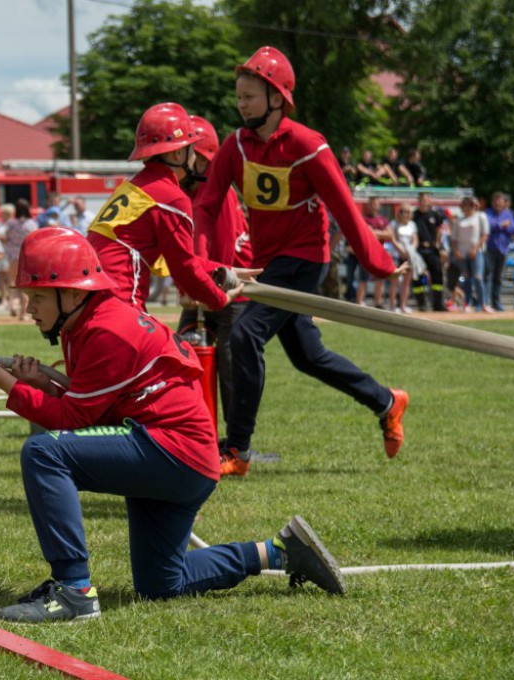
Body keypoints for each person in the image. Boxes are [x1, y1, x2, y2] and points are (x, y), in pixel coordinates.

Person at [0, 227, 346, 623]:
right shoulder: (87, 321)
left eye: (36, 296)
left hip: (170, 451)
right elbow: (94, 407)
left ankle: (73, 591)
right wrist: (38, 383)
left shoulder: (105, 331)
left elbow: (74, 420)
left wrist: (5, 382)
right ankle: (279, 551)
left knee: (42, 453)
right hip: (178, 456)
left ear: (73, 293)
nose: (29, 309)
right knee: (161, 584)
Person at [193, 46, 410, 476]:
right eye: (238, 96)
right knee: (307, 356)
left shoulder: (309, 146)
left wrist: (379, 262)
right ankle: (386, 401)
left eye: (250, 96)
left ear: (277, 98)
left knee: (245, 335)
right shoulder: (234, 146)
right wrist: (198, 262)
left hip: (306, 261)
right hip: (270, 264)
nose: (241, 104)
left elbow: (346, 209)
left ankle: (237, 451)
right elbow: (207, 205)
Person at [88, 101, 251, 314]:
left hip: (94, 301)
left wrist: (225, 270)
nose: (193, 157)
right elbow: (184, 267)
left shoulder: (134, 186)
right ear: (177, 154)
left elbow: (182, 259)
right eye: (191, 149)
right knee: (173, 348)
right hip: (119, 304)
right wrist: (219, 298)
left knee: (177, 344)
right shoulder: (171, 197)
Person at [179, 114, 253, 439]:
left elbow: (221, 259)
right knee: (180, 350)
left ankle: (237, 444)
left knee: (229, 361)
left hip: (235, 289)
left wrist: (199, 289)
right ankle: (193, 433)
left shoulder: (217, 195)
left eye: (184, 152)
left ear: (201, 157)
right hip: (207, 286)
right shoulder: (193, 193)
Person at [451, 197, 489, 312]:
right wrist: (456, 251)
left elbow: (484, 234)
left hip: (476, 253)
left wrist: (475, 249)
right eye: (466, 205)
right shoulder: (459, 220)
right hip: (462, 253)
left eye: (470, 205)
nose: (469, 207)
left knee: (478, 277)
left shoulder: (481, 217)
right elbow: (453, 239)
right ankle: (467, 303)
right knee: (466, 278)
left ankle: (482, 304)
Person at [411, 192, 448, 312]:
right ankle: (421, 304)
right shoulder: (414, 215)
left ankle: (438, 304)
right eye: (422, 200)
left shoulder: (435, 214)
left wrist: (439, 246)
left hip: (432, 250)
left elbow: (439, 231)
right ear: (418, 201)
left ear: (430, 201)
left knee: (437, 276)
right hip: (419, 250)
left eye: (426, 200)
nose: (424, 202)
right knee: (419, 278)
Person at [5, 199, 39, 320]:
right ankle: (23, 313)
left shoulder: (11, 223)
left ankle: (12, 306)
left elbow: (6, 236)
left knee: (13, 282)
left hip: (13, 254)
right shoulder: (31, 224)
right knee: (24, 283)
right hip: (26, 254)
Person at [483, 191, 514, 312]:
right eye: (496, 202)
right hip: (490, 249)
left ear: (504, 203)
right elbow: (488, 226)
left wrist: (500, 226)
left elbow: (513, 229)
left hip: (503, 250)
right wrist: (502, 225)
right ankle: (485, 303)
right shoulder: (488, 213)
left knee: (498, 278)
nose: (498, 204)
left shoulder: (509, 213)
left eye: (500, 202)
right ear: (493, 202)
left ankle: (496, 303)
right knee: (487, 276)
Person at [392, 203, 425, 314]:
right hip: (397, 254)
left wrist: (411, 250)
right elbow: (393, 239)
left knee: (406, 281)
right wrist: (400, 250)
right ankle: (392, 305)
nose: (403, 214)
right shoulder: (394, 224)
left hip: (409, 255)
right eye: (401, 211)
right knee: (395, 280)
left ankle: (403, 305)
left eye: (406, 211)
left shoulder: (412, 225)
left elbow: (415, 240)